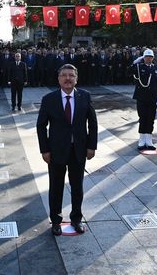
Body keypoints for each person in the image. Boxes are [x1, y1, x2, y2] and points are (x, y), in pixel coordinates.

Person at [36, 64, 98, 236]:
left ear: (76, 78)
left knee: (77, 187)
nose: (68, 78)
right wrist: (44, 149)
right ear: (59, 78)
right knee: (56, 187)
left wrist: (92, 146)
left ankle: (76, 219)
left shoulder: (85, 96)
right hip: (56, 151)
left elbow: (92, 123)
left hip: (78, 150)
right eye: (64, 75)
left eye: (71, 75)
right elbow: (41, 126)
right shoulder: (49, 99)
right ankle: (56, 221)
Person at [131, 49, 157, 151]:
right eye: (146, 57)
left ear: (153, 58)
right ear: (143, 58)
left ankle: (148, 139)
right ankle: (142, 139)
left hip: (153, 98)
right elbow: (128, 72)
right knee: (143, 118)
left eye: (150, 57)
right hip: (141, 97)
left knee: (151, 118)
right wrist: (135, 62)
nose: (148, 59)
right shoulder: (139, 67)